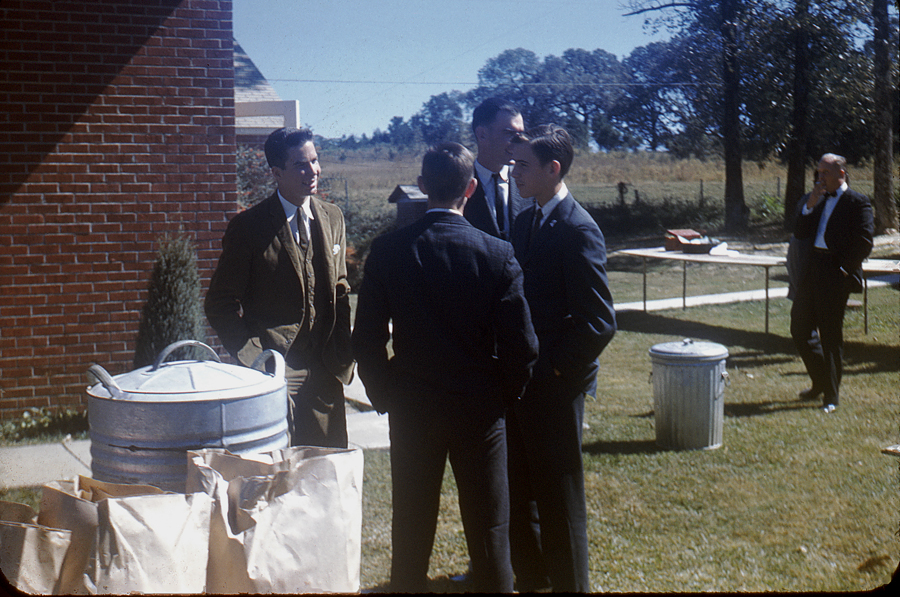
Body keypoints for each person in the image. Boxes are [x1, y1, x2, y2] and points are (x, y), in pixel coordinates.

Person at [351, 142, 538, 593]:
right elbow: (523, 346)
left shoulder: (389, 250)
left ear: (421, 186)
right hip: (480, 410)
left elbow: (366, 339)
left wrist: (386, 394)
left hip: (413, 406)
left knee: (411, 521)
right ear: (470, 189)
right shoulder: (496, 253)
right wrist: (501, 396)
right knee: (490, 525)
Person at [506, 124, 616, 592]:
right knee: (522, 491)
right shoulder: (525, 221)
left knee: (559, 498)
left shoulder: (578, 229)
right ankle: (534, 580)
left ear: (553, 169)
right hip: (521, 384)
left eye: (523, 165)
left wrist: (554, 369)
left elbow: (599, 322)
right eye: (513, 164)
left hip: (554, 387)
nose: (514, 173)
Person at [205, 127, 354, 448]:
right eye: (300, 165)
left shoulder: (333, 217)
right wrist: (253, 358)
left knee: (327, 468)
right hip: (274, 371)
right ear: (276, 173)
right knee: (278, 467)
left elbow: (341, 289)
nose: (312, 171)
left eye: (314, 161)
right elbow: (219, 303)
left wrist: (342, 353)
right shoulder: (248, 227)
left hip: (325, 368)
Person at [790, 153, 874, 414]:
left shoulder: (857, 202)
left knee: (830, 335)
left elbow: (865, 242)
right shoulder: (817, 198)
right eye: (818, 172)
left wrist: (844, 271)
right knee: (799, 328)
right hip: (812, 268)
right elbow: (800, 232)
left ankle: (831, 397)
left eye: (825, 173)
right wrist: (810, 205)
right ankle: (820, 381)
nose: (820, 178)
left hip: (836, 272)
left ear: (841, 174)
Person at [464, 97, 526, 240]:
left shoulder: (529, 182)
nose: (518, 142)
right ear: (482, 134)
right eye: (509, 133)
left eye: (521, 134)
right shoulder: (459, 186)